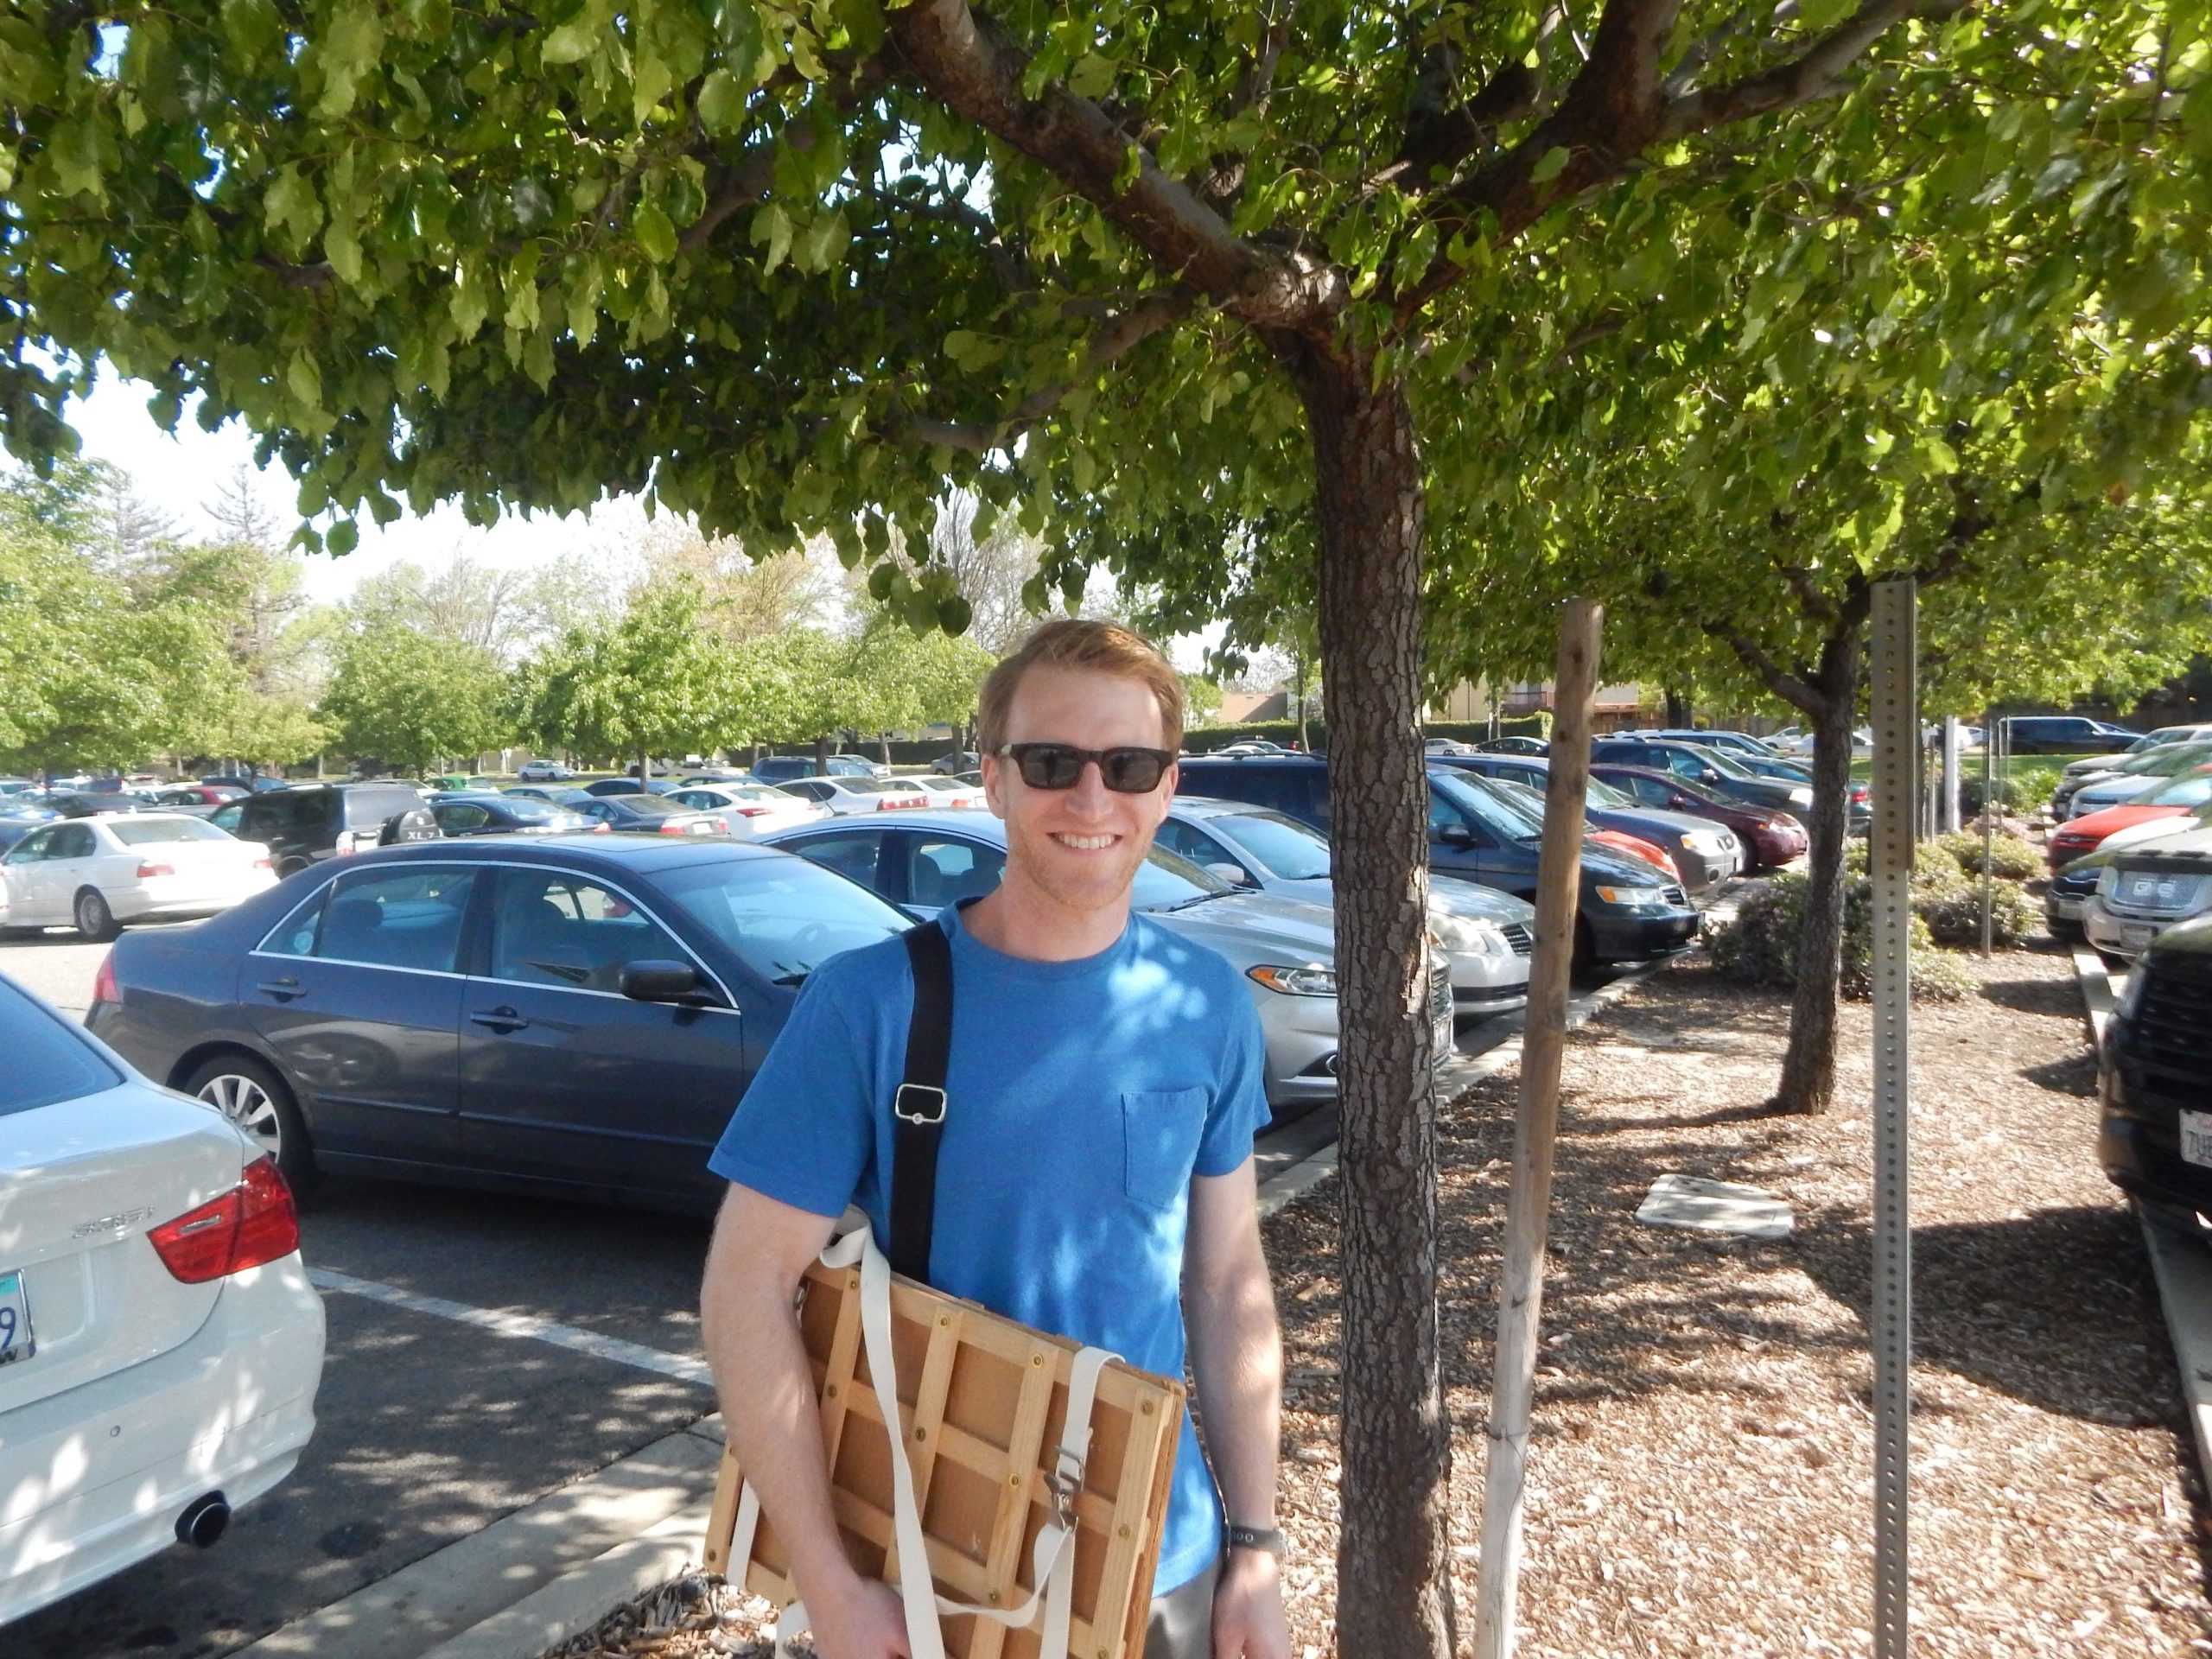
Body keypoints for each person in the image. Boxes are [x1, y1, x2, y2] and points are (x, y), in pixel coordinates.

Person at [701, 619, 1292, 1659]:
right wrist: (832, 1587)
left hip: (1164, 1562)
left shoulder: (1205, 1005)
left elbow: (1228, 1280)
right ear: (993, 779)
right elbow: (745, 1288)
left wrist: (1256, 1549)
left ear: (1167, 785)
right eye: (1053, 762)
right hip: (938, 1570)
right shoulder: (869, 1004)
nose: (1092, 799)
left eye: (1130, 765)